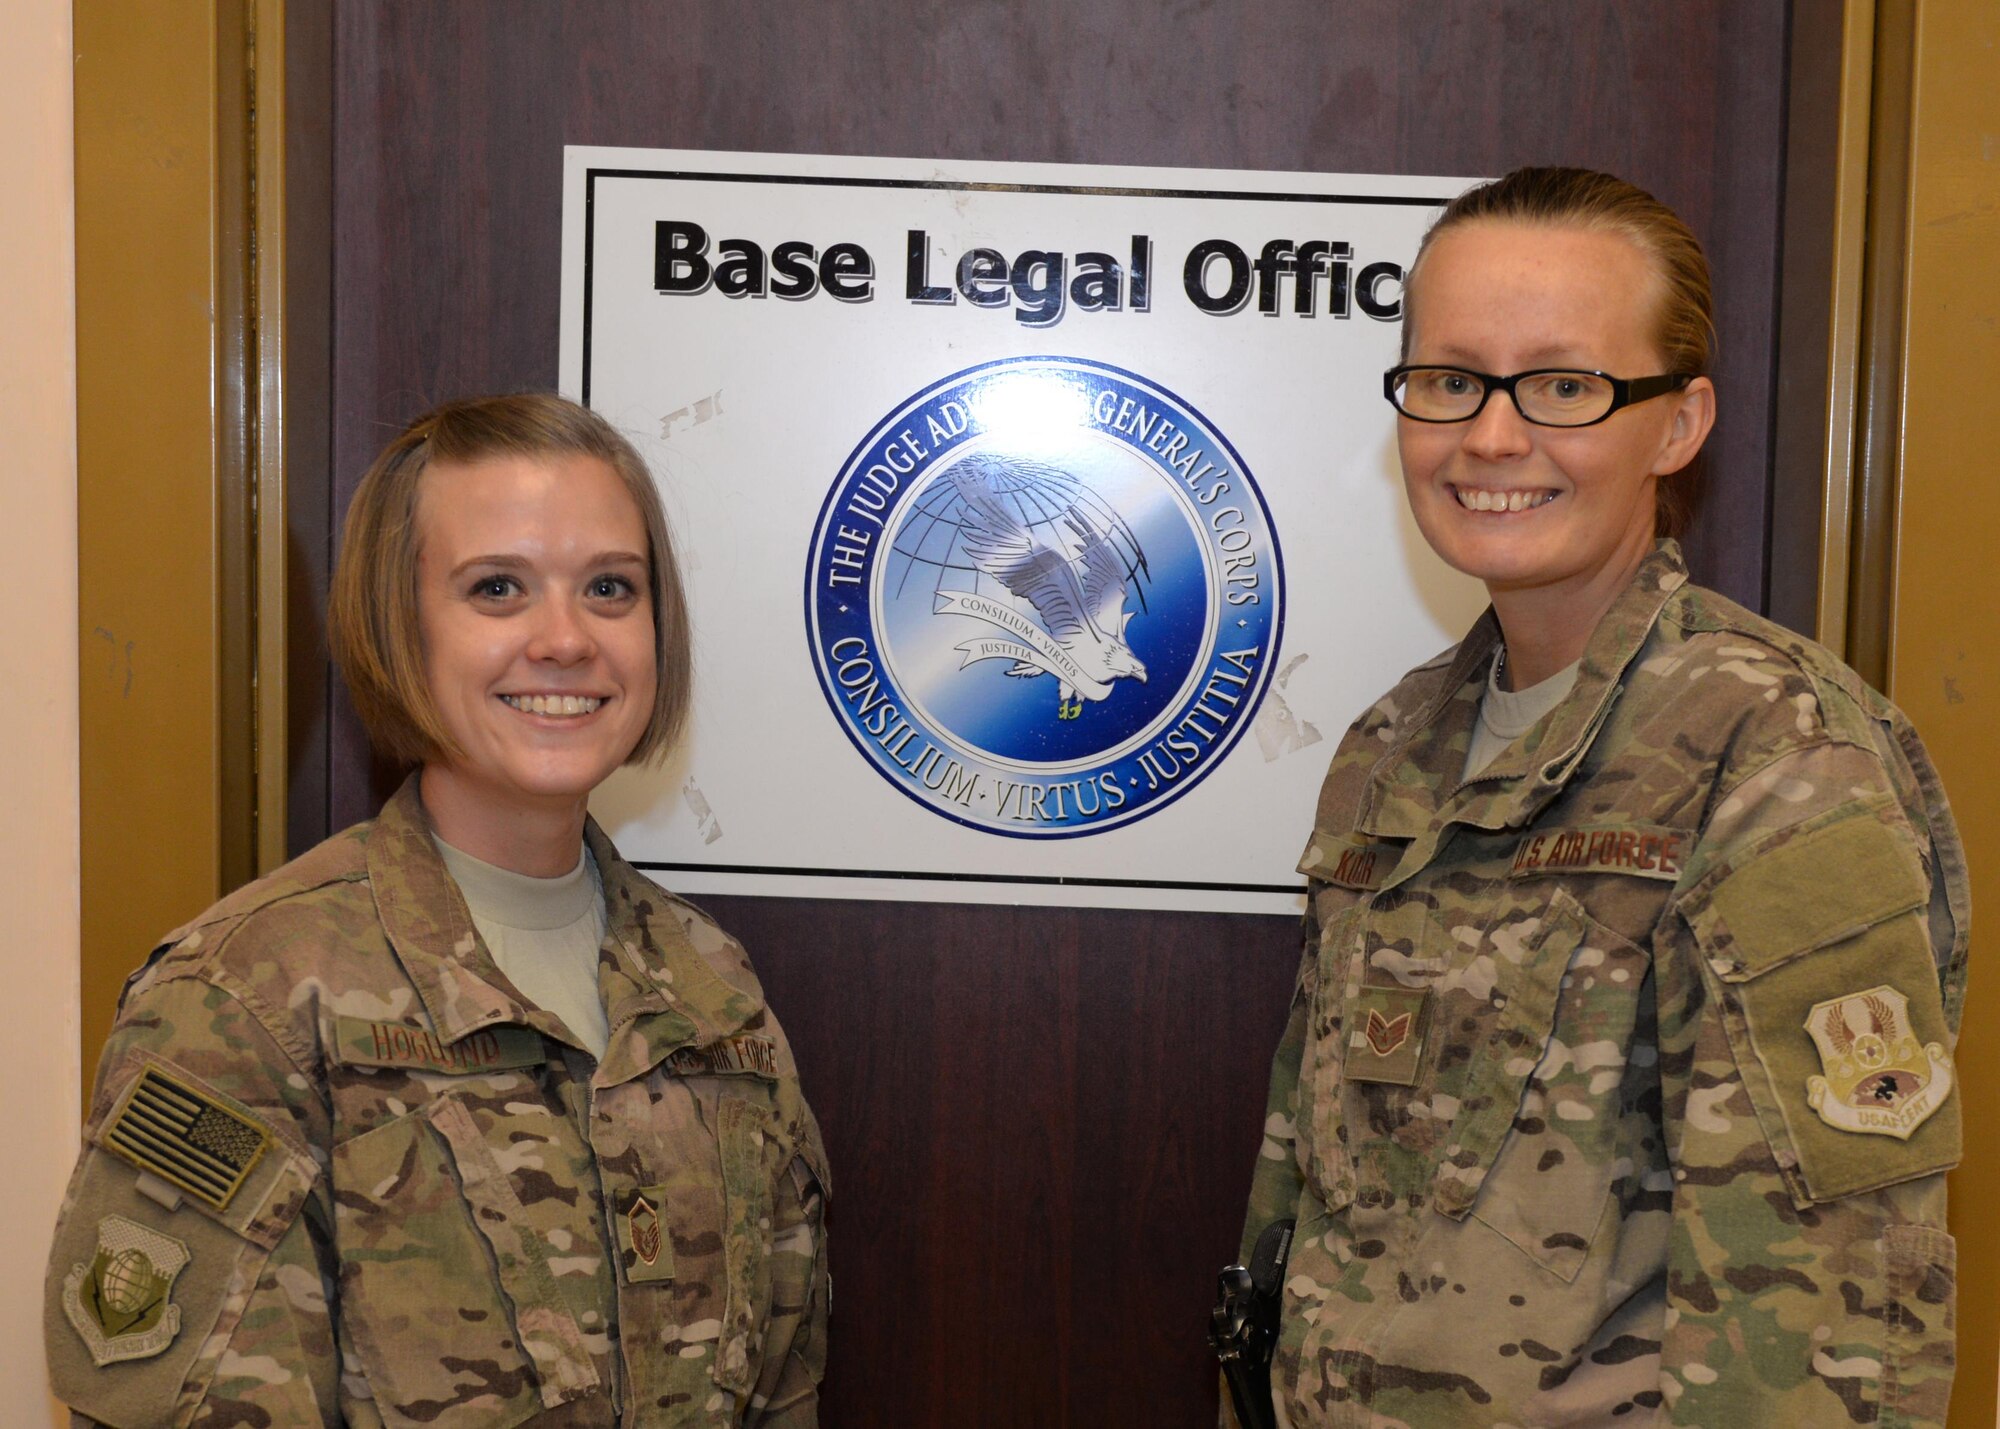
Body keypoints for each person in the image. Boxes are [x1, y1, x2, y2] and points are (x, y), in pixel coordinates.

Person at [1234, 168, 1966, 1426]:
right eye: (1449, 379)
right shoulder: (1389, 749)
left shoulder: (1775, 753)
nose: (1491, 436)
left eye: (1562, 386)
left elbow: (1828, 1315)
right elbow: (1307, 1207)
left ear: (1675, 427)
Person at [46, 394, 830, 1426]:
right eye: (496, 588)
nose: (565, 638)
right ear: (397, 625)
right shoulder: (247, 1001)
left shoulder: (711, 991)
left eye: (609, 588)